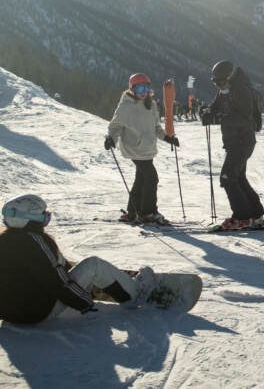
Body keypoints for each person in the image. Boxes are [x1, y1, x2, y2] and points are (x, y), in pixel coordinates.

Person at [0, 194, 156, 324]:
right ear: (31, 219)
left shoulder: (4, 239)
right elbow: (57, 282)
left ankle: (85, 284)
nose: (45, 220)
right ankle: (135, 295)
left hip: (9, 314)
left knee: (57, 264)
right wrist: (85, 302)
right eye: (44, 216)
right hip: (37, 313)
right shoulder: (36, 242)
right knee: (94, 264)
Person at [105, 73, 179, 224]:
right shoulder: (126, 106)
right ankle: (147, 212)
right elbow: (116, 126)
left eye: (146, 88)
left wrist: (167, 137)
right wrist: (111, 138)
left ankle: (132, 212)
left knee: (141, 179)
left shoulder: (150, 105)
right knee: (152, 178)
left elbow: (157, 127)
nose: (143, 92)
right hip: (135, 149)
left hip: (148, 149)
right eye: (139, 88)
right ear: (132, 89)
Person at [201, 60, 264, 230]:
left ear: (231, 77)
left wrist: (218, 118)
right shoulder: (226, 89)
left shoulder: (242, 91)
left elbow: (244, 117)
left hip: (242, 141)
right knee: (238, 177)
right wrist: (208, 112)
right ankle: (255, 213)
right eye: (215, 83)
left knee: (227, 178)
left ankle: (242, 217)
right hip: (234, 141)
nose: (219, 86)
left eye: (221, 82)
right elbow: (217, 105)